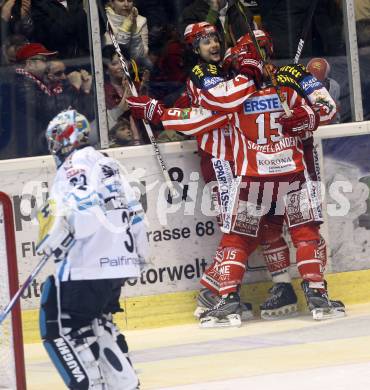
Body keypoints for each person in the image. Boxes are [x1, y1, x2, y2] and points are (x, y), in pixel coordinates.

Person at [128, 30, 346, 325]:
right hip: (290, 171)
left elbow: (202, 117)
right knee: (302, 232)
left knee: (240, 236)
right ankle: (315, 293)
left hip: (251, 176)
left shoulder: (236, 93)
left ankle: (228, 296)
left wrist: (159, 112)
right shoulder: (289, 76)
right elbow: (327, 106)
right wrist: (309, 116)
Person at [37, 109, 147, 389]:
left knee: (63, 325)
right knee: (100, 323)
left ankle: (92, 385)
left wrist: (54, 241)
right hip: (119, 264)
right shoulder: (107, 163)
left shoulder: (73, 165)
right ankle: (126, 383)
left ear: (63, 140)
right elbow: (136, 213)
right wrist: (139, 256)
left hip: (89, 264)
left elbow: (81, 210)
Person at [104, 0, 149, 65]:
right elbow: (116, 53)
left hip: (132, 66)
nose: (126, 4)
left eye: (129, 0)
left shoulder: (141, 21)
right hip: (109, 66)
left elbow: (139, 56)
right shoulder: (103, 20)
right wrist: (125, 28)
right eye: (121, 0)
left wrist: (134, 29)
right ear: (111, 3)